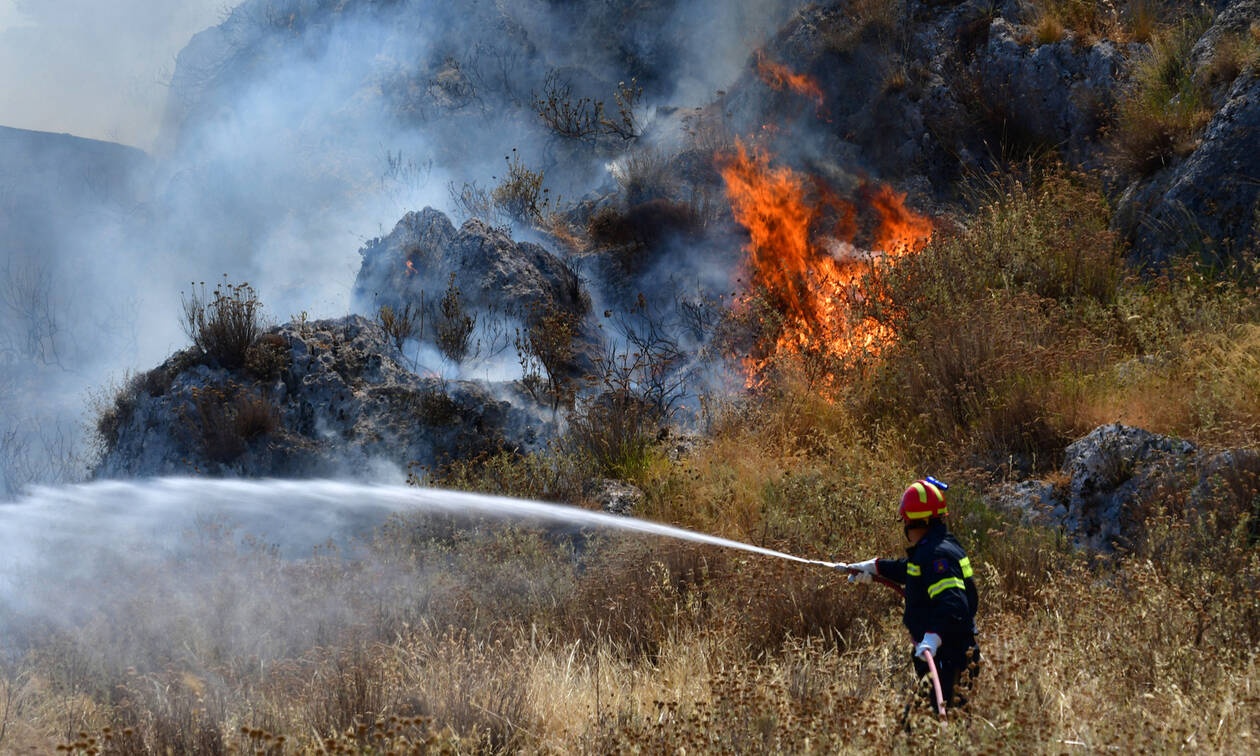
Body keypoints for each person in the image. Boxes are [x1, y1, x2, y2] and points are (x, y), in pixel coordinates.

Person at [843, 477, 980, 711]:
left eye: (906, 523)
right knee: (932, 728)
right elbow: (913, 571)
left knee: (920, 729)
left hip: (950, 658)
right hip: (947, 656)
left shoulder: (938, 556)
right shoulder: (937, 547)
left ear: (917, 523)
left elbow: (954, 604)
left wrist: (933, 637)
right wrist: (874, 567)